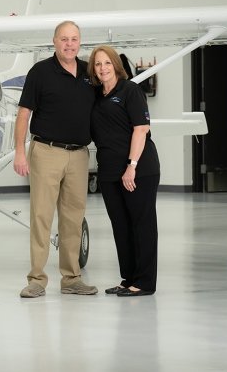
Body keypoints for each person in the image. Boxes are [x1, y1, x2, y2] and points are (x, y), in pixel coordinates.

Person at [14, 20, 97, 298]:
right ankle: (37, 279)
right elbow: (24, 114)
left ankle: (72, 278)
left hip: (79, 155)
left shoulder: (88, 73)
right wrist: (19, 151)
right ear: (54, 41)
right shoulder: (40, 72)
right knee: (41, 216)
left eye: (74, 39)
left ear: (79, 42)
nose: (69, 44)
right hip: (46, 152)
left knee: (73, 219)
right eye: (64, 39)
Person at [87, 45, 160, 297]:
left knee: (142, 225)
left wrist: (132, 166)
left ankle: (145, 282)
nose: (103, 68)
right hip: (109, 172)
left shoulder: (130, 91)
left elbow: (141, 130)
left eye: (107, 63)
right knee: (121, 226)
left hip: (138, 169)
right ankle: (128, 278)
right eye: (98, 64)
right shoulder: (95, 95)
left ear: (116, 65)